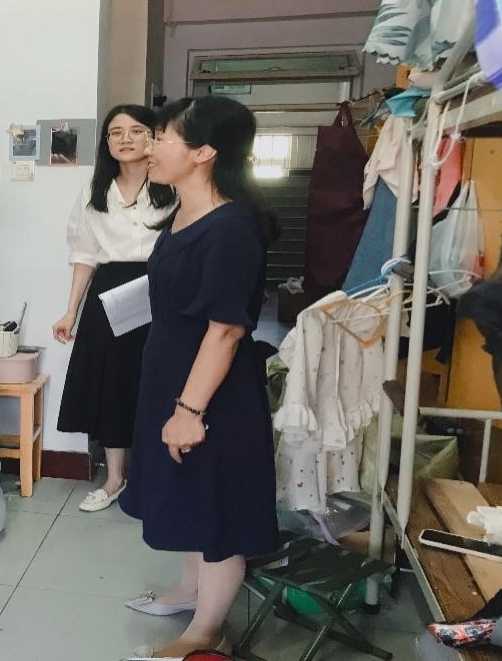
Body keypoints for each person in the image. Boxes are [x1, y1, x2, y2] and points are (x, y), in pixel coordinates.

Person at [119, 96, 281, 658]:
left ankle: (207, 631)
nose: (150, 147)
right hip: (172, 371)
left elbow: (226, 329)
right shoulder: (184, 214)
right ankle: (190, 591)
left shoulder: (231, 227)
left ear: (204, 151)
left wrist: (189, 411)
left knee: (215, 505)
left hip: (212, 390)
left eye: (162, 137)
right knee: (187, 493)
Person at [52, 104, 176, 512]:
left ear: (153, 138)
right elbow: (84, 254)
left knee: (161, 382)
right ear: (106, 142)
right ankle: (115, 478)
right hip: (111, 294)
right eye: (116, 132)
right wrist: (70, 311)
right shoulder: (94, 190)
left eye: (136, 131)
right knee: (113, 388)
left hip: (163, 288)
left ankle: (160, 479)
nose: (126, 139)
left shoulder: (174, 185)